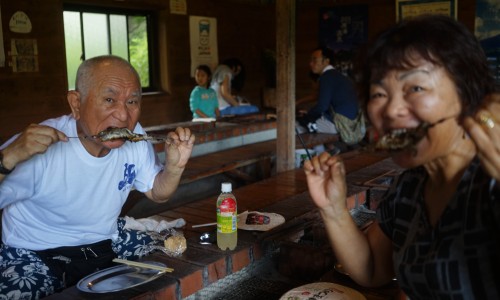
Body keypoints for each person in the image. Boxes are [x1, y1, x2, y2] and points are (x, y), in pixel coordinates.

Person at [304, 15, 499, 299]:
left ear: (468, 96)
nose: (391, 109)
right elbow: (372, 268)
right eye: (379, 93)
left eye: (416, 88)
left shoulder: (490, 184)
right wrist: (333, 210)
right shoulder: (408, 188)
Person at [0, 55, 195, 299]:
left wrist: (174, 168)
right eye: (109, 99)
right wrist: (7, 158)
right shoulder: (36, 147)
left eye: (132, 101)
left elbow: (157, 192)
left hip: (105, 241)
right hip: (35, 251)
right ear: (76, 104)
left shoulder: (134, 137)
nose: (123, 115)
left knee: (176, 256)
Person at [297, 46, 365, 146]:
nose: (310, 64)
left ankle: (317, 154)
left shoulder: (327, 77)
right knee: (312, 124)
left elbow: (322, 106)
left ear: (326, 61)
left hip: (339, 125)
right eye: (310, 60)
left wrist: (307, 115)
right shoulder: (339, 76)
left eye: (314, 60)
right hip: (352, 124)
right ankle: (329, 150)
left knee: (298, 126)